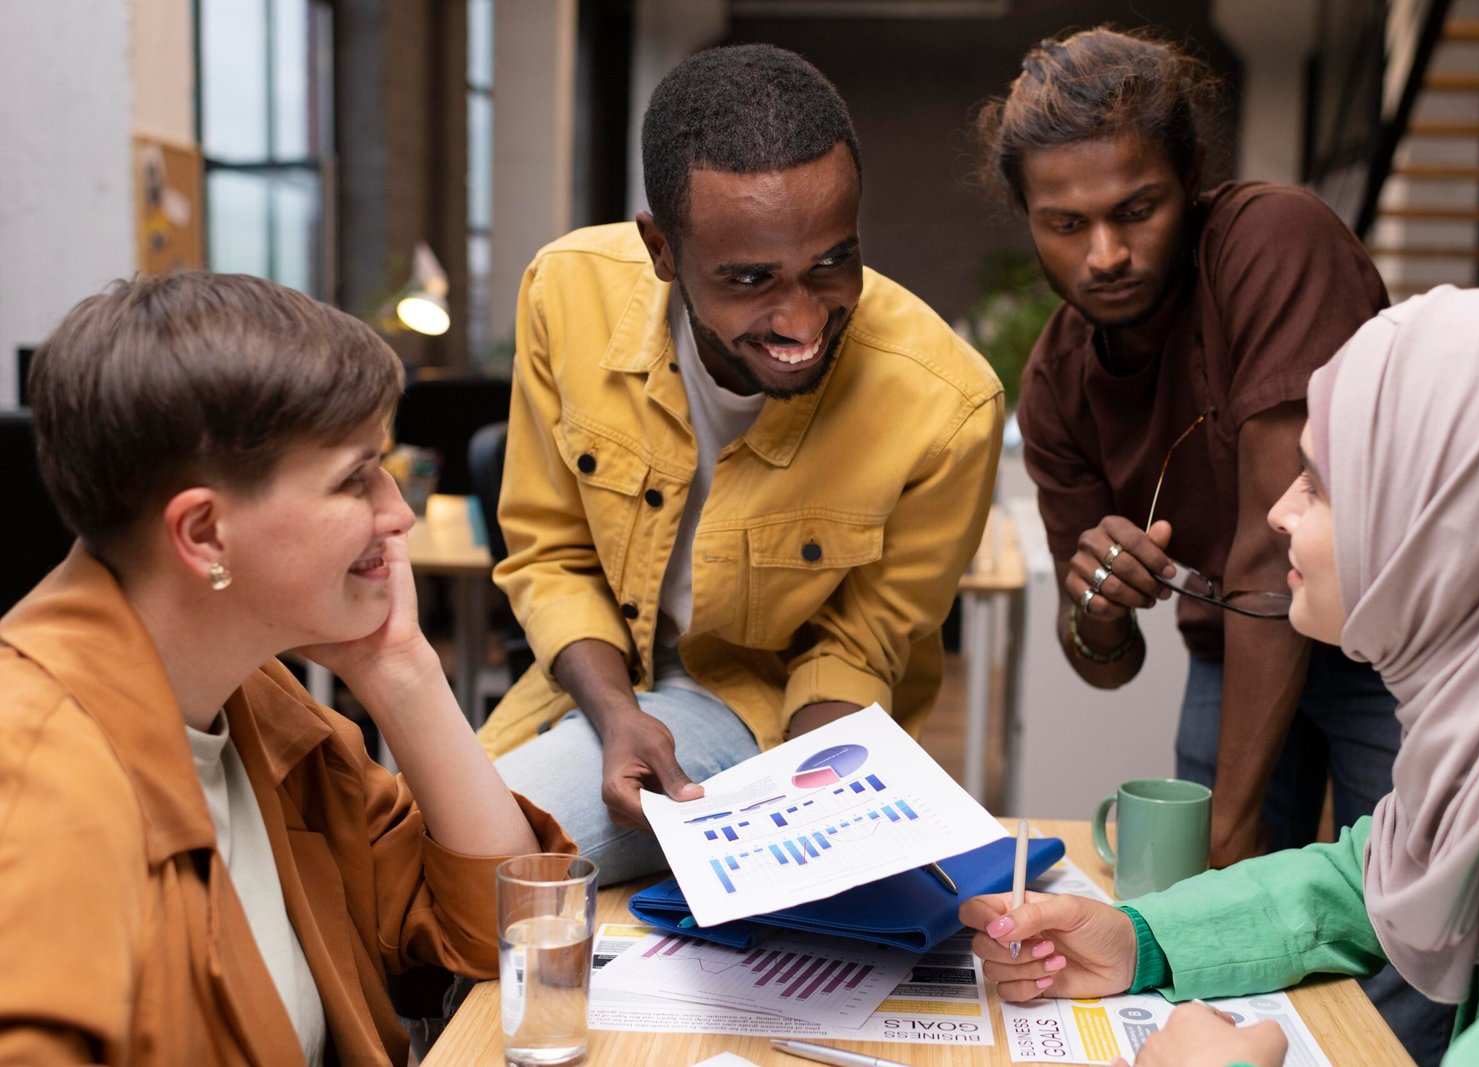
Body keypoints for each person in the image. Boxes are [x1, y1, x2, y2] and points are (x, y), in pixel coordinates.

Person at [960, 285, 1479, 1066]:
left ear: (1457, 515)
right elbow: (1360, 877)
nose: (1279, 513)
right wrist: (1140, 938)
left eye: (1322, 484)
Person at [0, 272, 572, 1064]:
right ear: (204, 532)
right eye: (355, 477)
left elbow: (499, 930)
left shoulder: (245, 692)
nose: (397, 511)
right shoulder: (38, 777)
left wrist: (401, 669)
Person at [481, 43, 1003, 887]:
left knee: (487, 858)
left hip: (763, 707)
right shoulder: (565, 293)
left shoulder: (946, 406)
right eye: (752, 279)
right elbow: (550, 553)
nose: (801, 318)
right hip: (599, 677)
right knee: (413, 839)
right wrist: (617, 713)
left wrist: (807, 810)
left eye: (832, 261)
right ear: (661, 249)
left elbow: (859, 648)